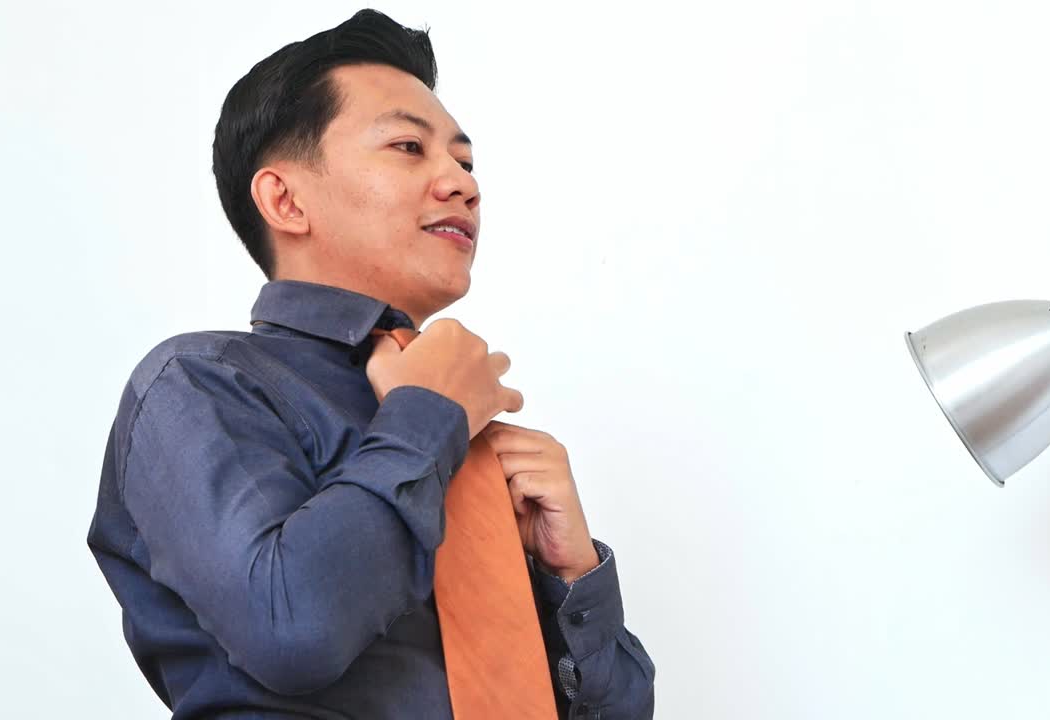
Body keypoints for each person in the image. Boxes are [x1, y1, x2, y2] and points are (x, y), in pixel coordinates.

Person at [86, 9, 655, 719]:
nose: (462, 183)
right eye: (409, 147)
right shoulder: (197, 384)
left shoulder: (470, 438)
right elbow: (295, 627)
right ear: (286, 199)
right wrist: (428, 420)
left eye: (466, 161)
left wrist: (574, 578)